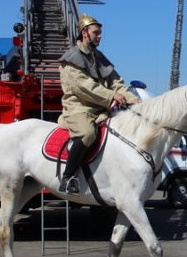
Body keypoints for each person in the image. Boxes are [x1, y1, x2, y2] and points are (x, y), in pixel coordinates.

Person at [57, 14, 139, 194]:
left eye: (100, 33)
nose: (99, 36)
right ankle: (67, 177)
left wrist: (134, 100)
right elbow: (84, 87)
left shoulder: (99, 57)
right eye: (96, 33)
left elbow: (117, 82)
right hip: (78, 108)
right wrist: (112, 96)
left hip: (99, 109)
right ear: (84, 33)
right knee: (88, 134)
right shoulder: (71, 57)